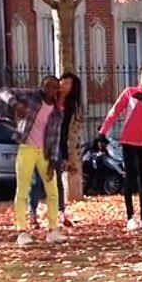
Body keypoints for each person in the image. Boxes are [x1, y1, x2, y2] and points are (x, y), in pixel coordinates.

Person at [0, 75, 67, 246]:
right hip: (27, 148)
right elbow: (3, 91)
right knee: (22, 190)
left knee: (53, 192)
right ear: (41, 86)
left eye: (53, 87)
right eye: (47, 86)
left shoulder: (58, 112)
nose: (50, 90)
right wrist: (15, 103)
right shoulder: (31, 96)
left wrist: (54, 159)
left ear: (57, 90)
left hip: (45, 152)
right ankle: (22, 231)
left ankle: (53, 230)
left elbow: (56, 137)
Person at [99, 64, 142, 231]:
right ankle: (130, 217)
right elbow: (115, 111)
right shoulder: (129, 93)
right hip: (129, 142)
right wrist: (103, 132)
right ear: (140, 77)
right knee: (130, 178)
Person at [55, 72, 83, 228]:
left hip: (61, 145)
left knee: (58, 181)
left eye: (68, 84)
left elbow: (70, 132)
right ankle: (33, 213)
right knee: (37, 183)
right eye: (62, 81)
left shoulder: (72, 107)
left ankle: (60, 213)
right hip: (44, 143)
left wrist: (69, 155)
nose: (63, 85)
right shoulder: (50, 99)